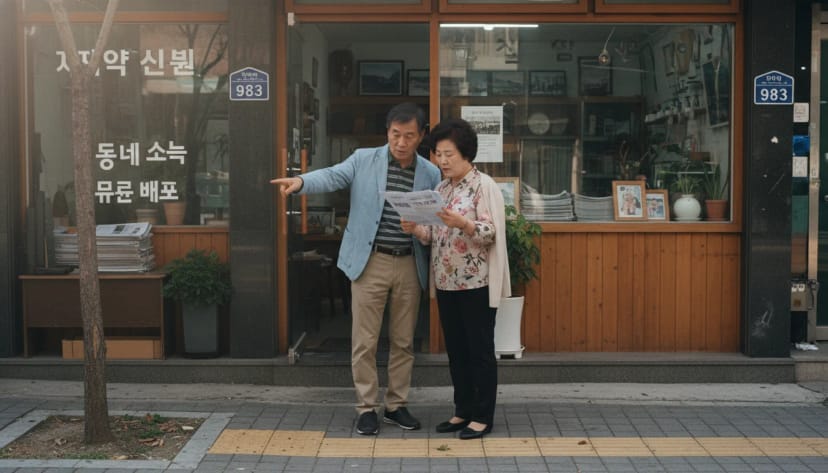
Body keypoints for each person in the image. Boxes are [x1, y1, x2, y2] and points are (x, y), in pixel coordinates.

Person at [270, 103, 441, 436]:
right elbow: (333, 175)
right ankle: (366, 407)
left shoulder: (430, 173)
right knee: (365, 340)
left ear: (421, 136)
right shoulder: (364, 159)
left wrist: (422, 230)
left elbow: (435, 218)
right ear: (387, 132)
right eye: (395, 134)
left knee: (404, 341)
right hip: (370, 261)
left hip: (410, 262)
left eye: (409, 136)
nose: (401, 142)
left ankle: (396, 405)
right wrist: (301, 181)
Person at [401, 118, 510, 440]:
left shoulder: (483, 185)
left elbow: (491, 233)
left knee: (479, 351)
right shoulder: (441, 189)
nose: (442, 161)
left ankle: (482, 416)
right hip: (447, 283)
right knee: (457, 351)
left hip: (476, 284)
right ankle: (463, 410)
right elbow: (433, 236)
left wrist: (464, 223)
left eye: (449, 154)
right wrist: (416, 229)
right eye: (438, 154)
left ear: (466, 153)